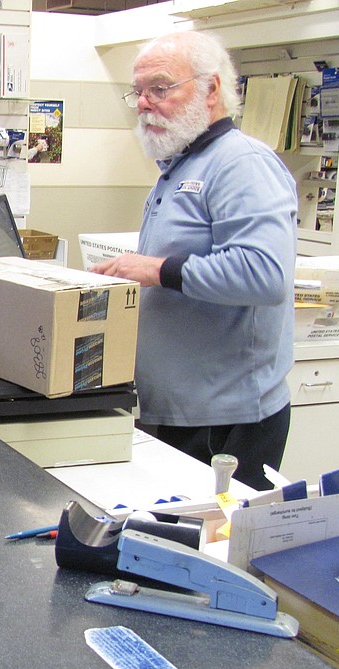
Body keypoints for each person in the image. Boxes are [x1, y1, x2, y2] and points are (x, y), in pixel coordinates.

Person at [91, 30, 298, 491]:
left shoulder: (241, 164)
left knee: (212, 548)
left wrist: (154, 269)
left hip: (228, 421)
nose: (145, 103)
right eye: (139, 92)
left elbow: (264, 274)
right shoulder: (181, 166)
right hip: (181, 412)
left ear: (212, 89)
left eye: (160, 88)